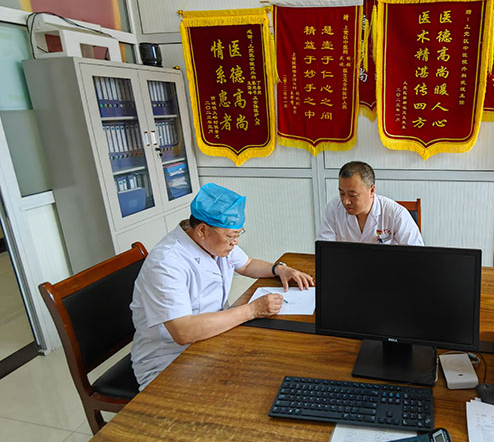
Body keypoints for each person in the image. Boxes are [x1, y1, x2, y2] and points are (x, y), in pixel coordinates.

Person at [130, 183, 313, 390]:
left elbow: (247, 264)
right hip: (170, 360)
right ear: (202, 230)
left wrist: (279, 269)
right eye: (231, 236)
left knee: (273, 365)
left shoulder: (214, 242)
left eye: (238, 234)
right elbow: (183, 332)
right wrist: (252, 310)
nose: (235, 242)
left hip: (213, 338)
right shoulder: (167, 262)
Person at [317, 161, 424, 246]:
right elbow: (324, 249)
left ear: (372, 191)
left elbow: (416, 255)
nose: (346, 201)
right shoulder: (334, 208)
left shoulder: (396, 214)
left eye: (352, 195)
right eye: (342, 193)